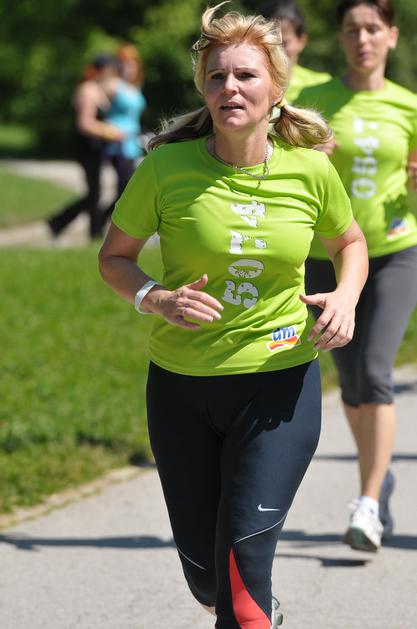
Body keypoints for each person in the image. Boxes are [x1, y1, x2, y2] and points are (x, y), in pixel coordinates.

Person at [99, 4, 368, 627]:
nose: (230, 88)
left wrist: (345, 296)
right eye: (217, 77)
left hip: (279, 383)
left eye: (246, 75)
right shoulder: (165, 170)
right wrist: (156, 297)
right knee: (207, 578)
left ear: (276, 88)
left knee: (243, 574)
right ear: (204, 89)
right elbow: (114, 258)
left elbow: (350, 243)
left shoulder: (310, 169)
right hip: (181, 390)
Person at [297, 0, 417, 553]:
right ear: (341, 38)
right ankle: (380, 472)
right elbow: (280, 167)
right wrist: (307, 152)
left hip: (394, 251)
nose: (362, 39)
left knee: (374, 371)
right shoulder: (315, 101)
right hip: (328, 256)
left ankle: (368, 503)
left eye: (372, 29)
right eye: (351, 30)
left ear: (392, 36)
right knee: (350, 382)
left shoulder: (409, 106)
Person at [47, 54, 124, 240]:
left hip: (95, 149)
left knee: (94, 192)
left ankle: (61, 223)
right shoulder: (87, 89)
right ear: (104, 70)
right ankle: (87, 230)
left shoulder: (97, 89)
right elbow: (85, 123)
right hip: (86, 148)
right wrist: (109, 132)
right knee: (94, 193)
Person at [99, 43, 147, 230]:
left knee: (127, 189)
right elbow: (92, 101)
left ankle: (99, 221)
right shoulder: (113, 84)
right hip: (117, 143)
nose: (129, 67)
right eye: (125, 62)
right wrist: (105, 127)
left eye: (132, 63)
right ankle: (101, 223)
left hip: (132, 143)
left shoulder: (135, 86)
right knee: (125, 190)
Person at [259, 0, 331, 103]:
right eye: (270, 42)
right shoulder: (250, 82)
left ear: (301, 41)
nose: (276, 50)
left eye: (284, 43)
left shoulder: (321, 85)